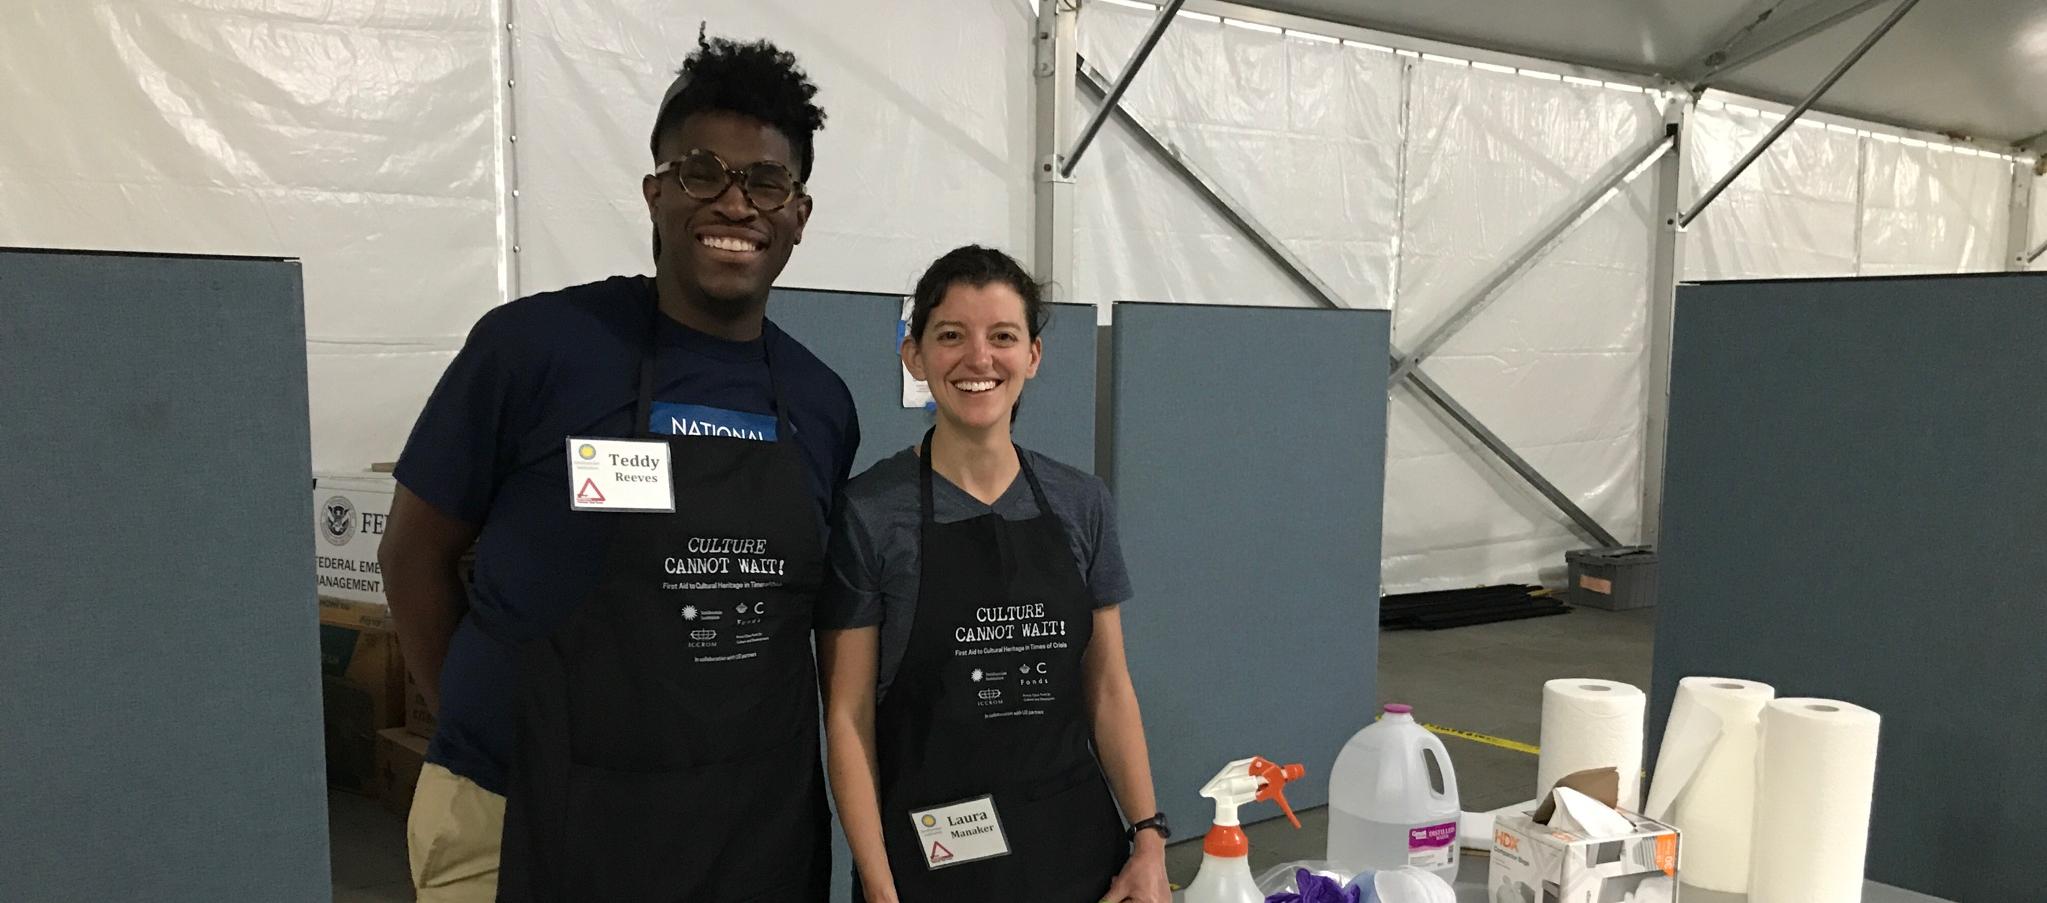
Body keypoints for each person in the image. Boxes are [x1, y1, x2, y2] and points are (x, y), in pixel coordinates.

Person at [379, 32, 856, 902]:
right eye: (702, 172)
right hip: (522, 815)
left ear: (797, 213)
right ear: (656, 193)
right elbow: (412, 555)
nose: (735, 202)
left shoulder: (821, 405)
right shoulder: (534, 350)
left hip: (741, 836)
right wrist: (483, 731)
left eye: (766, 182)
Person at [817, 246, 1171, 903]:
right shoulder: (870, 512)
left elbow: (1109, 688)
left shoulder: (1080, 501)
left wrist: (1148, 839)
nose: (978, 359)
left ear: (1032, 355)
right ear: (913, 355)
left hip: (1075, 849)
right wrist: (879, 887)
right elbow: (847, 717)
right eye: (950, 335)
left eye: (1002, 336)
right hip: (929, 862)